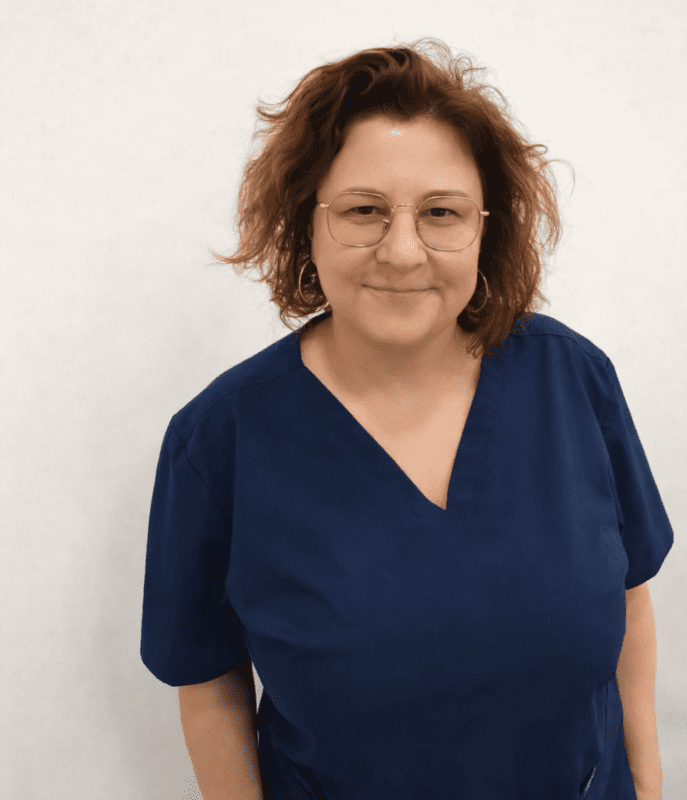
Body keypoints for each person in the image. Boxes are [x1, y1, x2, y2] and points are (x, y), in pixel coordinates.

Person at [140, 38, 673, 799]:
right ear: (304, 222)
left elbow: (629, 599)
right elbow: (208, 682)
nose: (401, 251)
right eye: (363, 211)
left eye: (440, 213)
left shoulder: (571, 380)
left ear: (485, 227)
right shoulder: (220, 440)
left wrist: (649, 788)